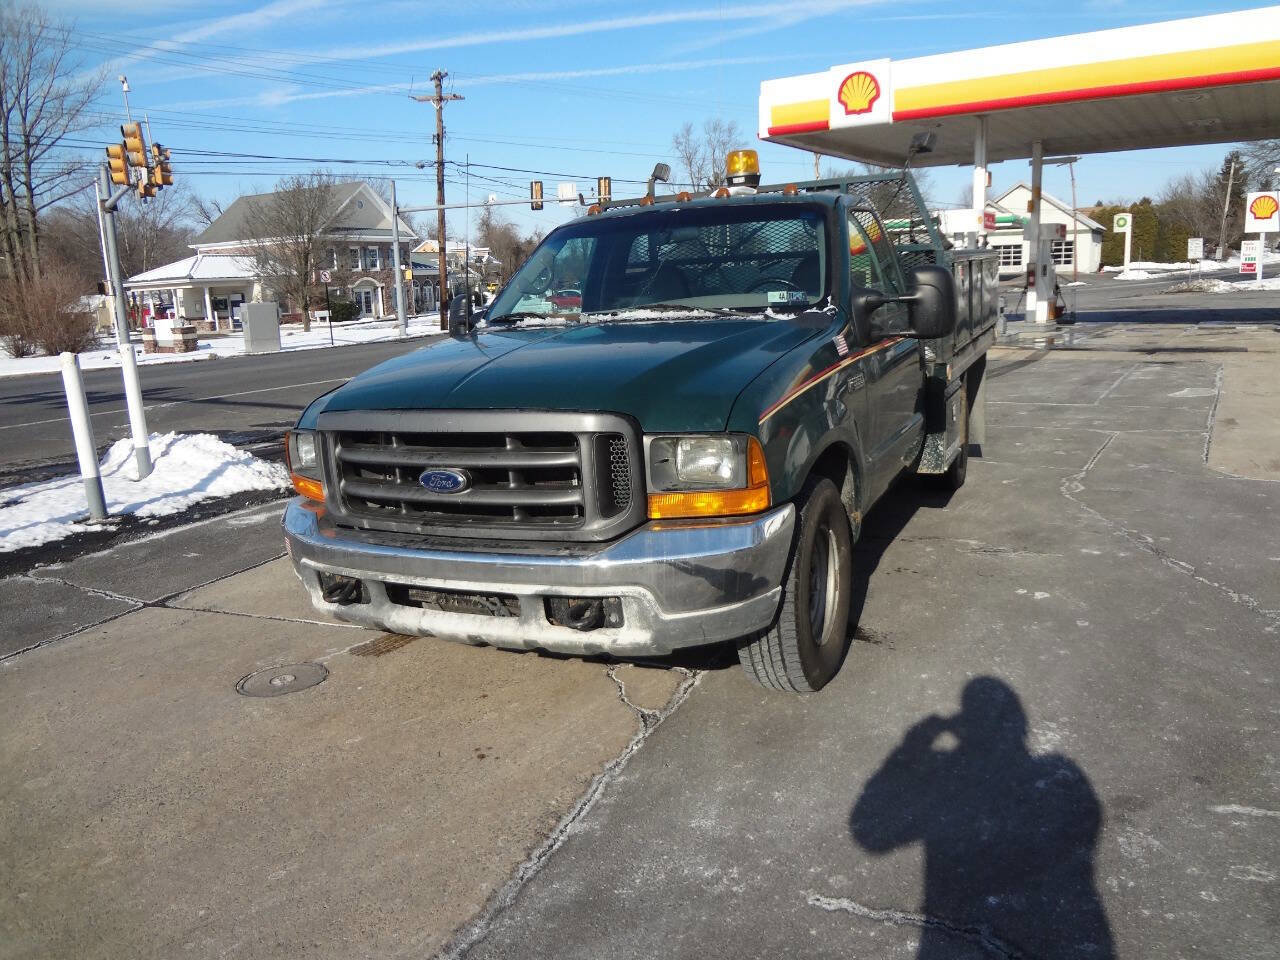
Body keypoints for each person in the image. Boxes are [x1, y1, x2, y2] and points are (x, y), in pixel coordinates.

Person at [850, 677, 1113, 959]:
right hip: (1073, 933)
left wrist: (916, 742)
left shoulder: (947, 773)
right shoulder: (1062, 773)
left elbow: (869, 832)